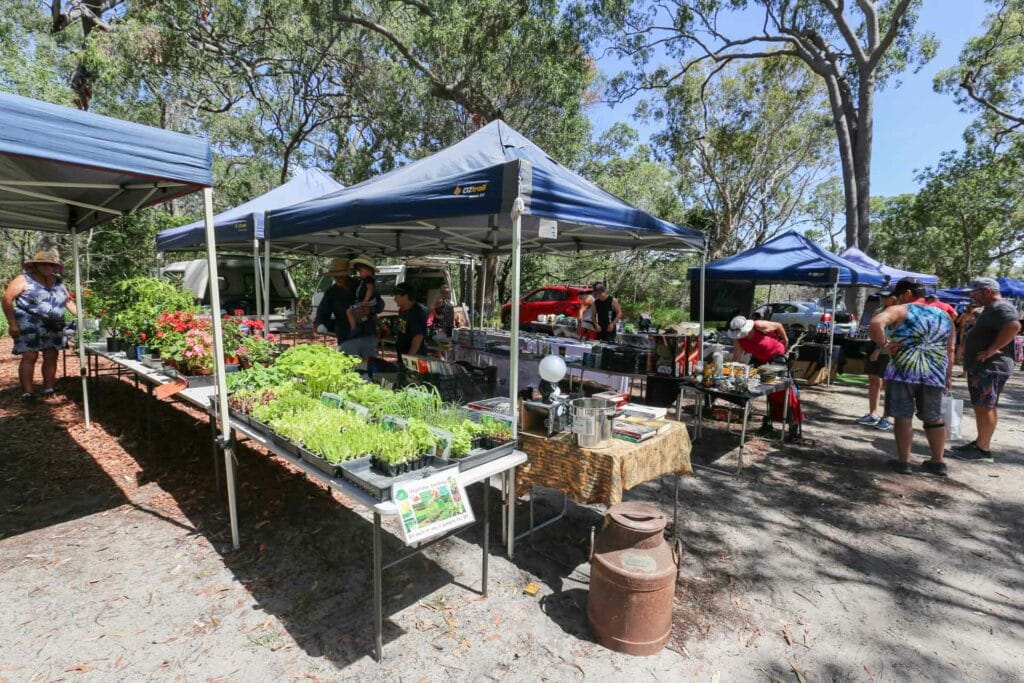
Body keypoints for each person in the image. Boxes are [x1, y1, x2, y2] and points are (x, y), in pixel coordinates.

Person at [868, 277, 954, 476]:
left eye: (898, 296)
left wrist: (885, 345)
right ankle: (938, 462)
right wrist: (947, 375)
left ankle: (904, 462)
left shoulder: (901, 310)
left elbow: (875, 324)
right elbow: (950, 348)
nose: (896, 300)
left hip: (903, 372)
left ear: (907, 293)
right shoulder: (944, 315)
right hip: (935, 373)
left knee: (903, 416)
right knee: (934, 418)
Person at [952, 277, 1021, 462]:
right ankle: (980, 443)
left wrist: (991, 350)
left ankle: (983, 450)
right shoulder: (991, 309)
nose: (973, 297)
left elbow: (1014, 326)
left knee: (985, 406)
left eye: (975, 293)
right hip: (984, 367)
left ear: (987, 291)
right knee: (984, 406)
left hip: (991, 367)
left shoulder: (1001, 307)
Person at [2, 248, 77, 403]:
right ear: (35, 265)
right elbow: (7, 299)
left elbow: (68, 301)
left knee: (51, 355)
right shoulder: (24, 279)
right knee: (30, 356)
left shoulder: (58, 281)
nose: (46, 267)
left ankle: (49, 388)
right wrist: (12, 323)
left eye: (50, 264)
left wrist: (82, 316)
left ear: (55, 267)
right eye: (42, 264)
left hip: (53, 325)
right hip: (28, 322)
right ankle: (27, 393)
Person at [727, 315, 803, 439]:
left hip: (776, 357)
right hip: (760, 360)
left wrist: (785, 340)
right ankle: (770, 420)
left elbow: (779, 326)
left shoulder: (758, 325)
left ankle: (792, 424)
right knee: (763, 388)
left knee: (783, 391)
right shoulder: (738, 338)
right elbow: (738, 357)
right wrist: (732, 370)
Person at [313, 258, 377, 367]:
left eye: (341, 275)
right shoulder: (331, 292)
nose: (338, 278)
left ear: (347, 274)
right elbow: (322, 312)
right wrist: (320, 324)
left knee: (369, 367)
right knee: (350, 369)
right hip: (346, 336)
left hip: (366, 334)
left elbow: (379, 303)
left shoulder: (361, 285)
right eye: (335, 276)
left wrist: (371, 310)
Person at [856, 289, 897, 431]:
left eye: (886, 296)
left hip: (887, 353)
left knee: (887, 384)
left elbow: (892, 335)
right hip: (874, 349)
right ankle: (873, 413)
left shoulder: (898, 312)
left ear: (894, 298)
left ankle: (887, 417)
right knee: (873, 380)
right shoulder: (879, 310)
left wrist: (879, 349)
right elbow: (873, 330)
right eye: (882, 296)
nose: (883, 299)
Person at [393, 282, 429, 360]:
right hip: (403, 354)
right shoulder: (402, 311)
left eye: (396, 296)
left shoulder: (417, 312)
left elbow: (417, 338)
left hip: (415, 358)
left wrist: (408, 360)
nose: (394, 299)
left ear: (405, 296)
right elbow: (401, 330)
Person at [346, 254, 378, 339]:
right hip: (365, 303)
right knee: (361, 316)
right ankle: (357, 329)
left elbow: (370, 289)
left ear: (368, 269)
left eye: (361, 271)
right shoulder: (363, 280)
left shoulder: (368, 279)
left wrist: (365, 301)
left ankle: (353, 329)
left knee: (349, 311)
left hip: (366, 302)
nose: (360, 273)